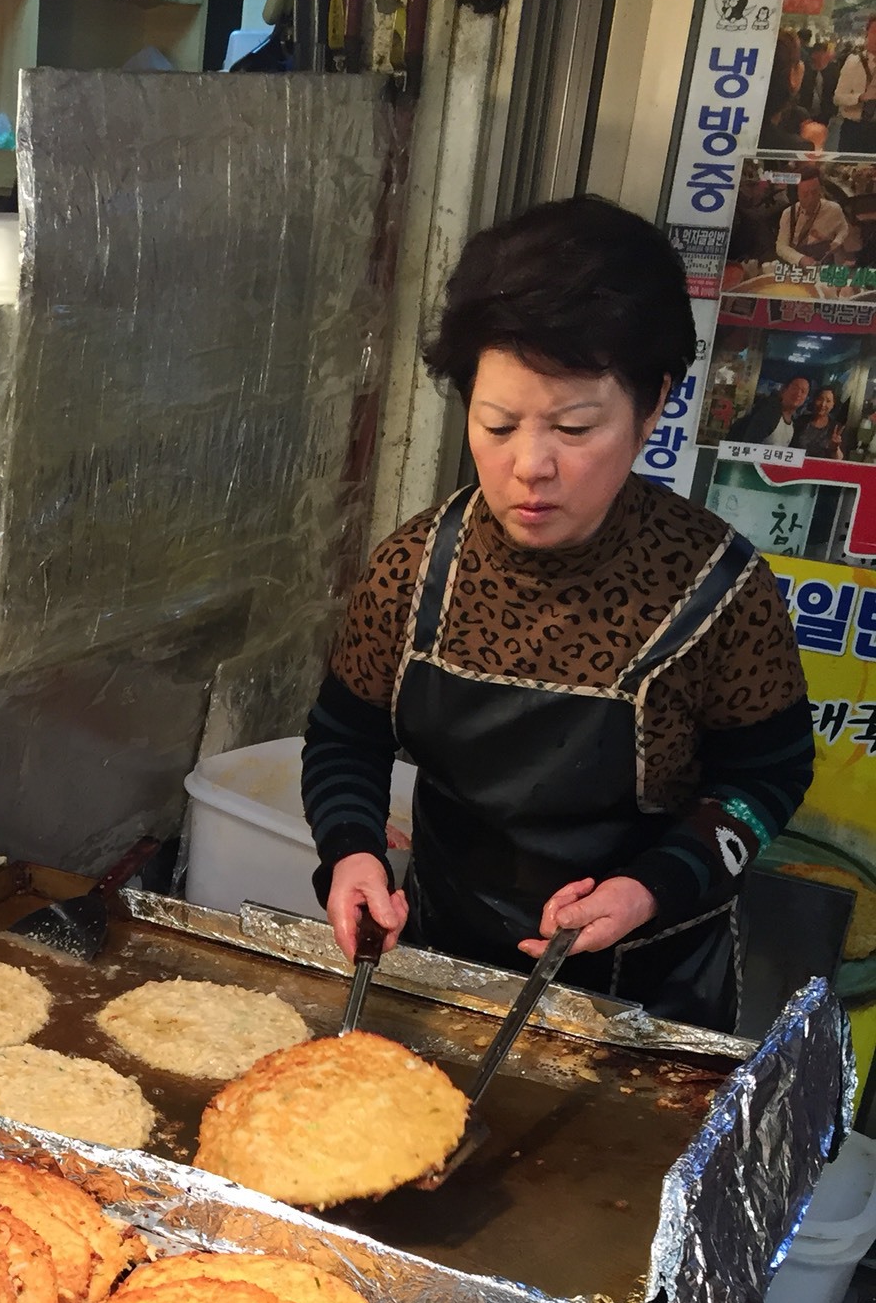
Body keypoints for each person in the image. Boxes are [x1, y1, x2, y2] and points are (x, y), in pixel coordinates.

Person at [302, 197, 814, 1030]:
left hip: (648, 991)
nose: (529, 467)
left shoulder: (719, 592)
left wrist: (653, 886)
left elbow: (767, 777)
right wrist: (351, 851)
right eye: (497, 423)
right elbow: (344, 739)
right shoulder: (415, 568)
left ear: (653, 405)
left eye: (575, 427)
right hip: (439, 965)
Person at [776, 165, 852, 265]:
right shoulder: (789, 214)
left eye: (814, 192)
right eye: (805, 194)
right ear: (797, 194)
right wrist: (801, 259)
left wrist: (838, 241)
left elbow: (843, 228)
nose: (811, 198)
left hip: (825, 262)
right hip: (798, 264)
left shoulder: (834, 209)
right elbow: (781, 247)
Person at [729, 370, 813, 444]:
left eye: (803, 391)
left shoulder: (793, 422)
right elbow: (748, 442)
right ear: (784, 389)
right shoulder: (769, 411)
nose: (798, 394)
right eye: (795, 388)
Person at [835, 18, 876, 153]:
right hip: (853, 129)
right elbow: (837, 98)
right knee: (846, 170)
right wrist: (860, 97)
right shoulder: (854, 62)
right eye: (874, 32)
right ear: (867, 33)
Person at [797, 385, 845, 456]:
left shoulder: (836, 428)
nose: (823, 404)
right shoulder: (800, 421)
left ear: (833, 405)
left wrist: (835, 448)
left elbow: (839, 459)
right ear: (814, 400)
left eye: (828, 401)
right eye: (820, 399)